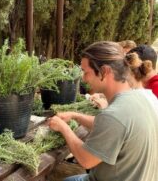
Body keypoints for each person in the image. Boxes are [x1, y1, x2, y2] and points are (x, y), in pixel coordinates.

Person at [48, 41, 158, 181]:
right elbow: (116, 128)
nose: (83, 78)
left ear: (104, 71)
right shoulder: (147, 96)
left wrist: (64, 128)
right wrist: (75, 115)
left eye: (86, 72)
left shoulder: (115, 114)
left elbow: (86, 160)